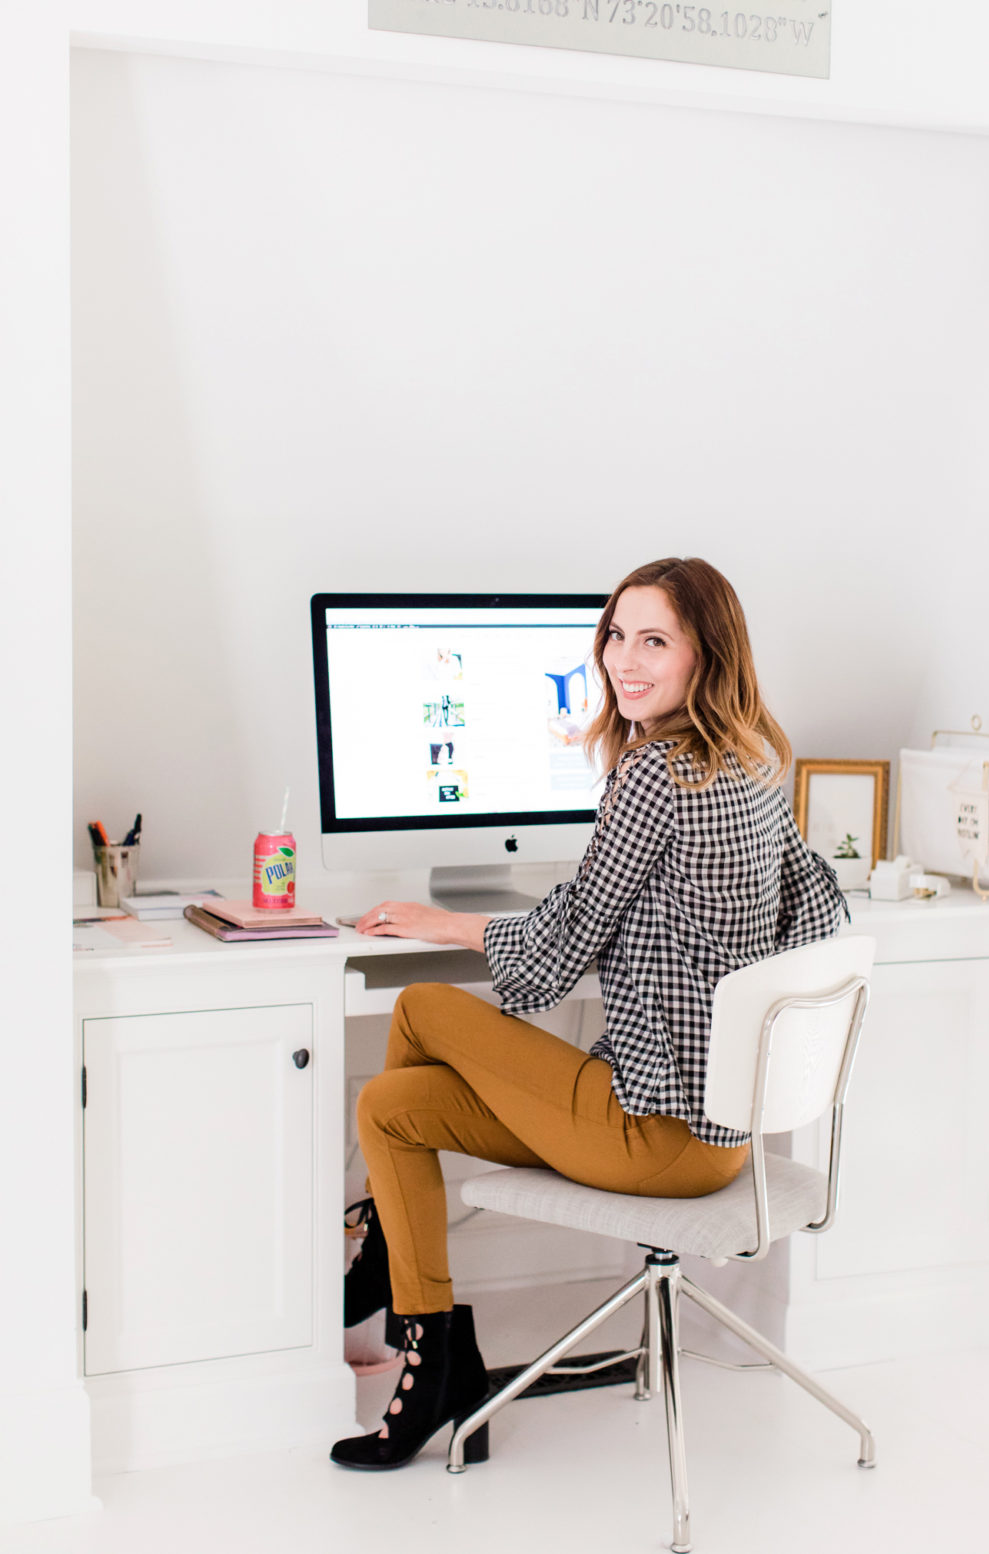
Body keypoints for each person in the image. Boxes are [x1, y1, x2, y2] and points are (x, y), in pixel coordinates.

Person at [329, 556, 848, 1473]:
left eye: (655, 640)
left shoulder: (653, 775)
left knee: (418, 1005)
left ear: (705, 654)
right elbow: (819, 912)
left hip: (649, 1133)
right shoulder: (758, 767)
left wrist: (440, 921)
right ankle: (434, 1363)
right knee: (390, 1108)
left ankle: (408, 1304)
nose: (624, 660)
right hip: (725, 1136)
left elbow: (566, 941)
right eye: (616, 634)